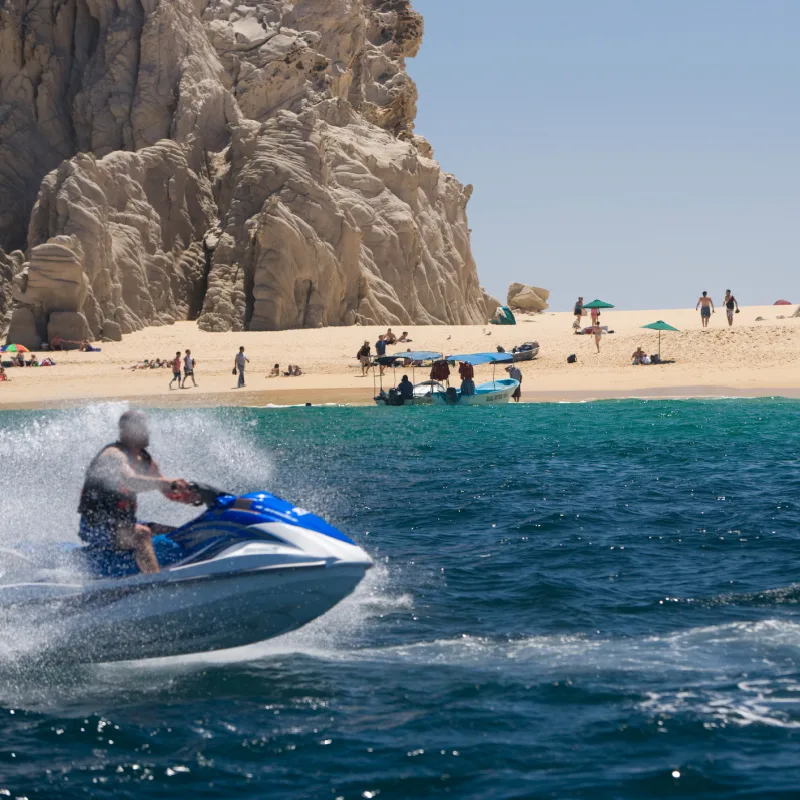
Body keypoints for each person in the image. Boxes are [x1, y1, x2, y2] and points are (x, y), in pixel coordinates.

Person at [77, 410, 195, 574]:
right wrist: (168, 483)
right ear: (126, 431)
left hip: (124, 521)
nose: (148, 431)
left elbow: (167, 490)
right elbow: (130, 480)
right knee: (142, 534)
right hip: (95, 525)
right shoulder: (113, 455)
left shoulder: (145, 460)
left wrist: (189, 495)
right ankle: (154, 583)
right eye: (142, 427)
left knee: (176, 532)